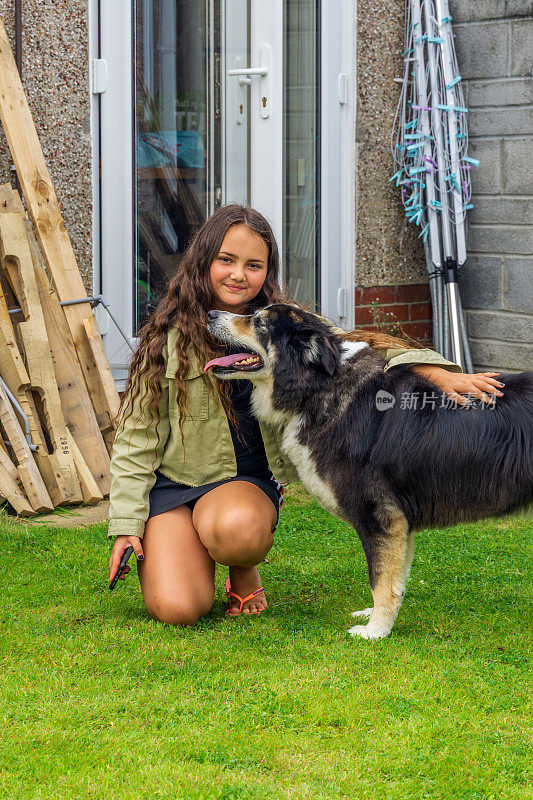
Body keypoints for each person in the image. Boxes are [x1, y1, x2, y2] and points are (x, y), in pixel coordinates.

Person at [107, 204, 504, 625]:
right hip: (175, 484)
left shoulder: (287, 324)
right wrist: (127, 521)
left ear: (267, 272)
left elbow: (363, 346)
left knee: (237, 530)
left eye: (253, 265)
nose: (238, 274)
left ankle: (241, 567)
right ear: (203, 260)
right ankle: (184, 542)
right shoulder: (164, 339)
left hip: (239, 486)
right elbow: (137, 438)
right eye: (226, 260)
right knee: (178, 609)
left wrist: (437, 374)